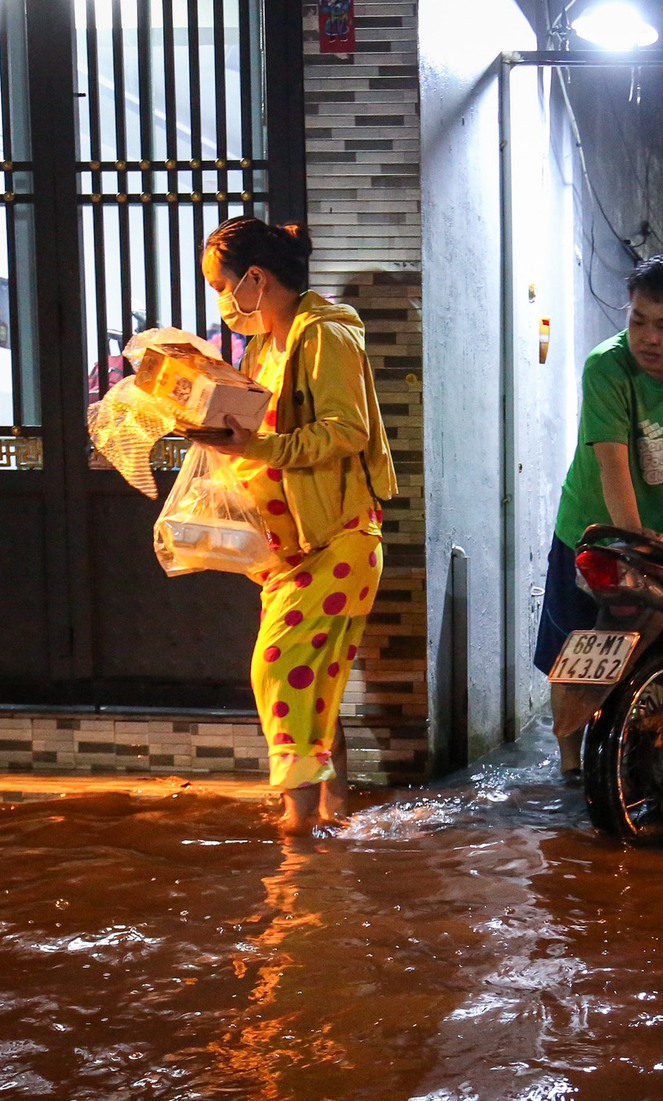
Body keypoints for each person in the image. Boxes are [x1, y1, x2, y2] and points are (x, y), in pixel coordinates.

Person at [186, 217, 398, 837]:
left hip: (339, 537)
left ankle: (298, 829)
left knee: (279, 665)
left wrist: (257, 447)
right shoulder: (266, 346)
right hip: (293, 546)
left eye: (223, 286)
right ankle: (333, 819)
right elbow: (264, 435)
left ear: (256, 279)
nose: (222, 302)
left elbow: (345, 431)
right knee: (316, 680)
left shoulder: (324, 336)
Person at [533, 252, 663, 779]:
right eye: (637, 322)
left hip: (657, 530)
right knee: (580, 650)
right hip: (590, 528)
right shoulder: (606, 367)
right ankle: (569, 764)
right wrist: (628, 534)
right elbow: (611, 462)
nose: (648, 338)